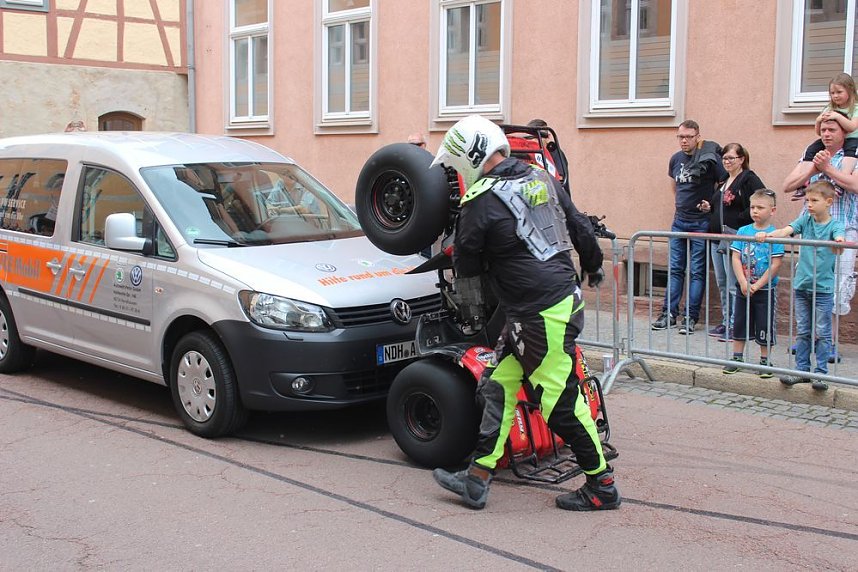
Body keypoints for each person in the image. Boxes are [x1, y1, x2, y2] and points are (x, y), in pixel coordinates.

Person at [428, 115, 619, 511]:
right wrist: (594, 263)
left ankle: (602, 485)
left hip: (538, 312)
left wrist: (471, 306)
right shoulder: (539, 176)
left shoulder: (478, 201)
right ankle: (477, 477)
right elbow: (579, 223)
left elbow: (466, 266)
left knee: (559, 402)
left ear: (468, 156)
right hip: (547, 302)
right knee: (498, 385)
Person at [782, 112, 858, 363]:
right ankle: (807, 338)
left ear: (843, 133)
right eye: (823, 130)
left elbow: (854, 185)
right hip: (811, 230)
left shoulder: (853, 156)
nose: (826, 134)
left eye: (832, 130)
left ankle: (830, 341)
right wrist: (814, 167)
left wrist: (828, 169)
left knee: (837, 286)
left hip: (842, 229)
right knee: (808, 284)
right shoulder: (812, 154)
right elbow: (788, 184)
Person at [759, 181, 845, 390]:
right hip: (802, 285)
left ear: (828, 202)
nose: (809, 205)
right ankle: (802, 371)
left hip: (822, 288)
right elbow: (787, 230)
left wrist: (839, 243)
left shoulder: (835, 225)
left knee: (823, 332)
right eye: (807, 200)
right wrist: (768, 234)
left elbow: (839, 241)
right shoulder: (805, 220)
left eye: (814, 201)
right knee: (804, 330)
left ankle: (821, 374)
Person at [652, 120, 728, 334]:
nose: (684, 141)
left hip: (701, 222)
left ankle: (690, 317)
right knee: (675, 269)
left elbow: (723, 183)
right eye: (680, 137)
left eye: (688, 137)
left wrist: (710, 204)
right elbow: (675, 185)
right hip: (679, 221)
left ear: (697, 137)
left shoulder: (709, 158)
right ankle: (668, 313)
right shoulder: (675, 159)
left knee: (697, 271)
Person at [699, 143, 765, 341]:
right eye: (724, 158)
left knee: (733, 283)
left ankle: (738, 325)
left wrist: (741, 219)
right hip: (717, 238)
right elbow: (718, 207)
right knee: (722, 282)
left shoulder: (748, 179)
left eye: (731, 158)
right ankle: (728, 321)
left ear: (742, 159)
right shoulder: (724, 181)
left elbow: (762, 201)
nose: (727, 162)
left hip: (735, 238)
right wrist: (708, 207)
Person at [721, 189, 783, 376]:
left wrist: (758, 284)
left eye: (760, 207)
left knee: (764, 323)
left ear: (772, 211)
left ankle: (765, 361)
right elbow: (736, 257)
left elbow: (775, 264)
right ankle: (737, 357)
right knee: (739, 321)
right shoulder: (743, 231)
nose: (755, 211)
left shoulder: (775, 234)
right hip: (744, 287)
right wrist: (742, 281)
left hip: (765, 289)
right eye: (753, 207)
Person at [795, 72, 858, 200]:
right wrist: (818, 120)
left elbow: (852, 127)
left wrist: (837, 116)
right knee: (811, 149)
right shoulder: (829, 108)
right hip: (834, 139)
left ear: (850, 90)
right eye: (832, 93)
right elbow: (819, 132)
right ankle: (803, 183)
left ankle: (841, 183)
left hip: (852, 138)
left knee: (850, 154)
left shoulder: (855, 108)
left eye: (839, 92)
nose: (835, 96)